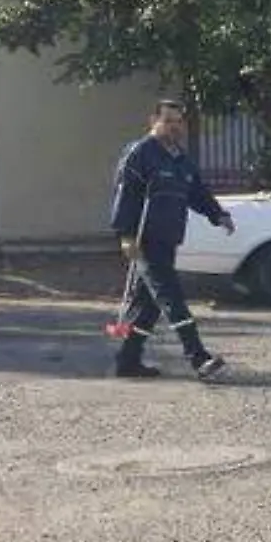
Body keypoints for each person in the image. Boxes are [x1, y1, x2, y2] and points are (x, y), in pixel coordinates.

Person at [108, 99, 235, 380]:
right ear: (153, 121)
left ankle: (127, 361)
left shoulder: (181, 159)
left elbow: (197, 193)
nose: (175, 127)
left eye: (178, 122)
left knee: (149, 306)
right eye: (168, 121)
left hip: (169, 239)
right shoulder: (140, 153)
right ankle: (198, 358)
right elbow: (125, 195)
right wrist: (125, 235)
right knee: (171, 297)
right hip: (145, 240)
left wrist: (219, 215)